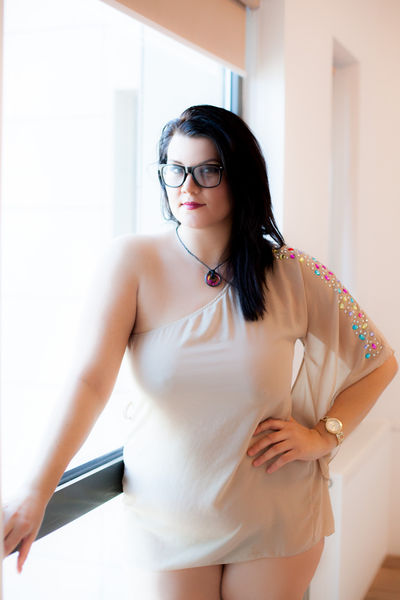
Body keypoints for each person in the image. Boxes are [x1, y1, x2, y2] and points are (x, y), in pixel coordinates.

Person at [2, 105, 397, 600]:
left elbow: (379, 361)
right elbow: (89, 381)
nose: (187, 186)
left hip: (276, 514)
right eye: (176, 169)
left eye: (209, 171)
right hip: (167, 519)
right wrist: (36, 489)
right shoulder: (132, 262)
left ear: (241, 176)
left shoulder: (294, 272)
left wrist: (324, 435)